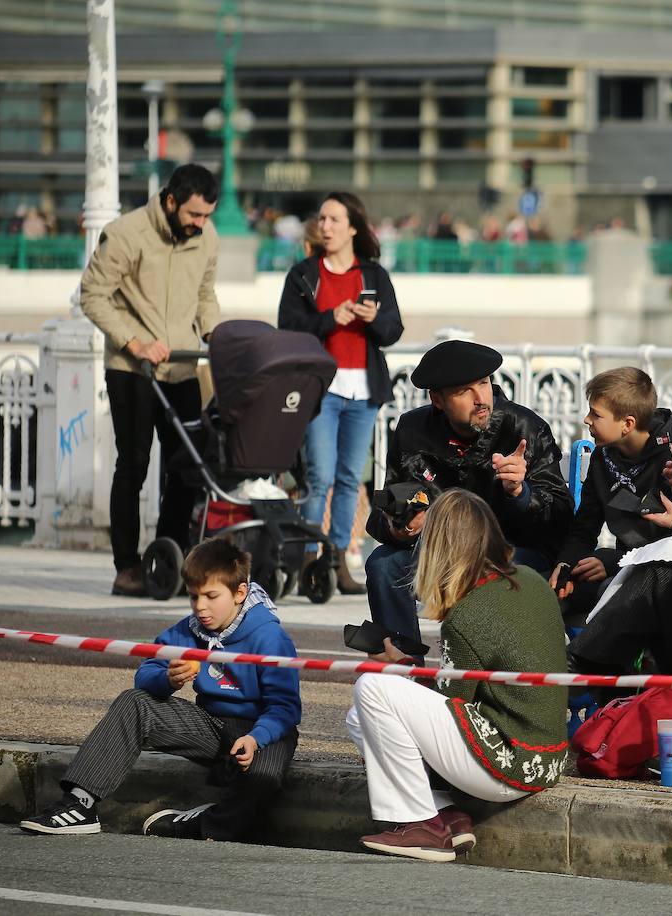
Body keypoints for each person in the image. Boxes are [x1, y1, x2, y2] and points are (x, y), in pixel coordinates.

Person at [19, 538, 301, 840]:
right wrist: (167, 678)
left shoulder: (270, 637)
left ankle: (201, 824)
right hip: (212, 725)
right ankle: (79, 804)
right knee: (134, 702)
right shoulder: (189, 629)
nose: (201, 607)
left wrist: (256, 738)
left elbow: (285, 708)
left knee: (264, 778)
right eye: (193, 597)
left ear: (239, 593)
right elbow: (146, 673)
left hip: (263, 730)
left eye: (211, 595)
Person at [347, 489, 569, 862]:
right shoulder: (529, 578)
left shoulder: (467, 614)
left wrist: (399, 669)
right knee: (359, 717)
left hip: (508, 764)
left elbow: (454, 703)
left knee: (372, 688)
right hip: (546, 756)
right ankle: (445, 814)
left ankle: (421, 824)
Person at [364, 339, 572, 652]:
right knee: (383, 564)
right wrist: (399, 526)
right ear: (438, 399)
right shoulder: (411, 429)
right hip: (442, 550)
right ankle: (405, 668)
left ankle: (484, 678)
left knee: (495, 573)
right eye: (464, 391)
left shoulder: (524, 428)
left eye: (484, 383)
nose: (480, 399)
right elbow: (383, 511)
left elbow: (560, 518)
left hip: (509, 551)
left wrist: (520, 493)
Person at [80, 164, 221, 597]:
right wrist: (134, 342)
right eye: (195, 215)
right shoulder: (125, 233)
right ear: (172, 201)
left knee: (186, 468)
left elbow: (204, 295)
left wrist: (218, 335)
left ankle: (170, 559)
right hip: (132, 369)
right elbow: (91, 294)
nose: (201, 225)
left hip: (182, 366)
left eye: (207, 216)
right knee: (134, 463)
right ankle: (127, 567)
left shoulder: (206, 236)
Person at [277, 192, 404, 595]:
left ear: (353, 227)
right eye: (322, 219)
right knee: (319, 477)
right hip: (320, 389)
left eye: (334, 219)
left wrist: (372, 319)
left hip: (363, 390)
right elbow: (288, 327)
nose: (325, 226)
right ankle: (307, 559)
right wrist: (329, 319)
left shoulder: (374, 275)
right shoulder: (303, 274)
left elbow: (393, 329)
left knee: (350, 479)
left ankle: (336, 562)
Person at [551, 366, 672, 631]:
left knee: (610, 596)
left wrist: (612, 562)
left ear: (627, 424)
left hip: (656, 577)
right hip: (618, 567)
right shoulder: (603, 456)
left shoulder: (669, 462)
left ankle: (590, 668)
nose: (586, 419)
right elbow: (585, 526)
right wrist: (567, 565)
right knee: (546, 594)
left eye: (596, 414)